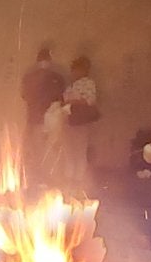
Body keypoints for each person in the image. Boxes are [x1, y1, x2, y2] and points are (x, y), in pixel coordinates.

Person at [20, 44, 67, 173]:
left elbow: (24, 96)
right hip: (48, 120)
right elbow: (62, 99)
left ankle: (41, 176)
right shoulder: (57, 77)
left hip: (41, 119)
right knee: (48, 149)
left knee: (39, 150)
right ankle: (46, 176)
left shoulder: (30, 77)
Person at [62, 55, 100, 194]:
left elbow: (89, 101)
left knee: (79, 151)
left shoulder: (88, 83)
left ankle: (77, 182)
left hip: (81, 122)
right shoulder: (73, 84)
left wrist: (73, 102)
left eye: (75, 70)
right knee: (70, 152)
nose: (73, 73)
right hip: (70, 122)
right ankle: (70, 181)